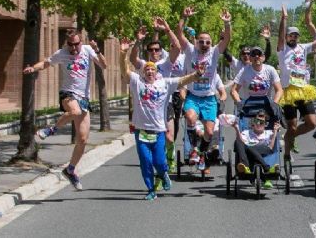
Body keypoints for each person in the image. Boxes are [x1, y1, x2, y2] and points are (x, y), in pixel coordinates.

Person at [120, 38, 203, 200]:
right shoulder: (137, 83)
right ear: (143, 72)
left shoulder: (165, 83)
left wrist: (197, 74)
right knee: (145, 161)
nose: (150, 71)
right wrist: (123, 53)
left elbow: (183, 80)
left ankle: (164, 173)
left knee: (159, 160)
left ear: (157, 72)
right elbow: (125, 70)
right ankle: (151, 189)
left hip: (158, 130)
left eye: (152, 70)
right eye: (147, 70)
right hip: (141, 130)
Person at [26, 29, 107, 190]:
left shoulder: (88, 50)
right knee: (74, 111)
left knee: (83, 140)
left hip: (84, 98)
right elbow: (46, 63)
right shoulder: (62, 53)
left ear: (81, 42)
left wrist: (97, 49)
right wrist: (33, 69)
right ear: (66, 43)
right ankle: (50, 130)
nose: (74, 48)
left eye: (76, 44)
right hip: (67, 93)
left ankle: (70, 170)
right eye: (71, 45)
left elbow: (104, 65)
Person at [178, 6, 232, 175]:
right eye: (201, 41)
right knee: (190, 117)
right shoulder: (190, 50)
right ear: (197, 42)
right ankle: (194, 148)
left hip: (209, 98)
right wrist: (183, 17)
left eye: (207, 42)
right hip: (194, 96)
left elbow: (226, 40)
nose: (204, 44)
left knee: (209, 132)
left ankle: (201, 151)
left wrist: (227, 23)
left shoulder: (215, 52)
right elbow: (179, 34)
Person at [129, 18, 182, 173]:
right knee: (152, 142)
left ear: (161, 51)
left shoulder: (166, 63)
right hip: (148, 109)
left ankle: (170, 158)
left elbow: (177, 48)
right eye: (151, 50)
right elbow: (133, 59)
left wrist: (167, 29)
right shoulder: (145, 66)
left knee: (170, 137)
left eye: (157, 50)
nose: (154, 52)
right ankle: (158, 164)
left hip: (167, 105)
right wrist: (137, 41)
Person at [277, 4, 316, 159]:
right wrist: (284, 18)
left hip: (303, 89)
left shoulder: (303, 48)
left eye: (296, 35)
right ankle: (286, 154)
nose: (293, 37)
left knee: (312, 123)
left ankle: (289, 138)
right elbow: (280, 36)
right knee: (291, 126)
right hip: (289, 90)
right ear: (287, 37)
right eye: (290, 35)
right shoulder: (282, 48)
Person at [232, 110, 281, 189]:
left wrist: (275, 131)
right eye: (256, 121)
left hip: (264, 149)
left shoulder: (269, 133)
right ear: (253, 123)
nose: (259, 124)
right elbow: (242, 144)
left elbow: (271, 147)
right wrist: (237, 129)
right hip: (249, 155)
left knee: (249, 146)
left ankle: (263, 167)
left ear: (265, 124)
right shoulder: (246, 132)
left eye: (261, 122)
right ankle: (246, 166)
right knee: (238, 142)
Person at [231, 46, 283, 121]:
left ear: (263, 57)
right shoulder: (244, 71)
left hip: (266, 104)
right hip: (249, 104)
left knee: (272, 127)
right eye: (253, 54)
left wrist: (274, 104)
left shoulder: (270, 70)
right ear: (250, 58)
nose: (257, 56)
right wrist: (239, 103)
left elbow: (279, 90)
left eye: (259, 54)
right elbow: (233, 91)